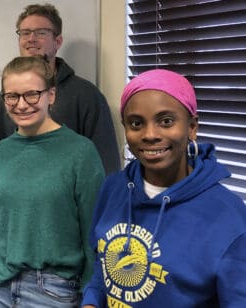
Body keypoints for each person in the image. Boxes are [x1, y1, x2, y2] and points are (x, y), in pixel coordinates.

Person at [81, 69, 246, 307]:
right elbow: (102, 266)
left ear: (192, 127)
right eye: (136, 123)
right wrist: (91, 301)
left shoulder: (228, 217)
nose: (150, 135)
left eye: (166, 121)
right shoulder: (113, 188)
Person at [0, 56, 105, 307]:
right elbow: (2, 221)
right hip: (0, 283)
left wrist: (92, 293)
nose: (21, 105)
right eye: (12, 96)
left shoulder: (80, 151)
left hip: (52, 289)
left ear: (51, 95)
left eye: (32, 94)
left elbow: (94, 232)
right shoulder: (2, 151)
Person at [0, 3, 120, 175]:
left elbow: (106, 164)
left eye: (41, 32)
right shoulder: (4, 101)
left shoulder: (86, 95)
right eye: (25, 33)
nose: (31, 39)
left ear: (58, 41)